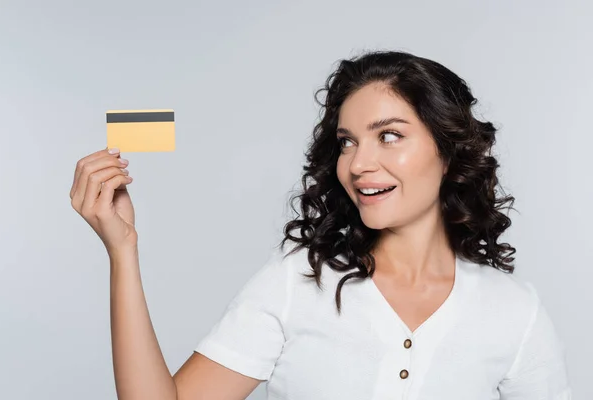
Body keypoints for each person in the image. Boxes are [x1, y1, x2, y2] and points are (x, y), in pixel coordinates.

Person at [69, 50, 571, 399]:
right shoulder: (298, 281)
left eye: (389, 136)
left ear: (449, 151)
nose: (358, 164)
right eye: (348, 142)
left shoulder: (514, 312)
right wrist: (124, 250)